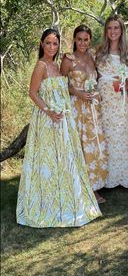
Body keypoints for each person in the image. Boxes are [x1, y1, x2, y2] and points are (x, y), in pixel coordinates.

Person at [16, 28, 102, 227]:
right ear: (41, 44)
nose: (52, 47)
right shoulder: (41, 66)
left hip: (63, 119)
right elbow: (33, 93)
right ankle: (46, 203)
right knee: (48, 161)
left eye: (55, 43)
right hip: (47, 120)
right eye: (48, 43)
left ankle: (67, 198)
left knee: (64, 159)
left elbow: (63, 89)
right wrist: (48, 111)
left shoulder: (55, 64)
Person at [60, 24, 108, 204]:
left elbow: (99, 78)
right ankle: (78, 187)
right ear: (74, 40)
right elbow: (60, 84)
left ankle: (94, 187)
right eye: (79, 39)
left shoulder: (93, 56)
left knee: (94, 146)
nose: (82, 42)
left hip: (93, 108)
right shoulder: (68, 59)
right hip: (76, 107)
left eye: (86, 39)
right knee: (79, 146)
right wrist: (78, 93)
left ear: (90, 40)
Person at [96, 14, 128, 188]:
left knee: (119, 136)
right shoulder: (98, 51)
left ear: (122, 30)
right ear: (106, 31)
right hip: (102, 100)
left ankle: (122, 177)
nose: (113, 31)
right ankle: (106, 178)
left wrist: (123, 83)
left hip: (119, 100)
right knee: (105, 136)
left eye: (116, 28)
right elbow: (92, 73)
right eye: (110, 28)